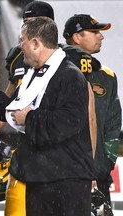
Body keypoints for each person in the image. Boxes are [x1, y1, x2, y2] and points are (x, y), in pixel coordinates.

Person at [0, 16, 96, 216]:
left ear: (36, 43)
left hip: (66, 181)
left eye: (23, 41)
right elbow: (14, 109)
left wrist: (29, 119)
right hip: (40, 177)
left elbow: (67, 123)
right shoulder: (33, 73)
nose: (20, 46)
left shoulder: (69, 75)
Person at [63, 14, 122, 205]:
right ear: (77, 37)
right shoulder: (53, 71)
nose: (101, 37)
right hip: (60, 176)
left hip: (98, 177)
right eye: (95, 32)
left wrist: (101, 166)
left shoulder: (107, 76)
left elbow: (113, 125)